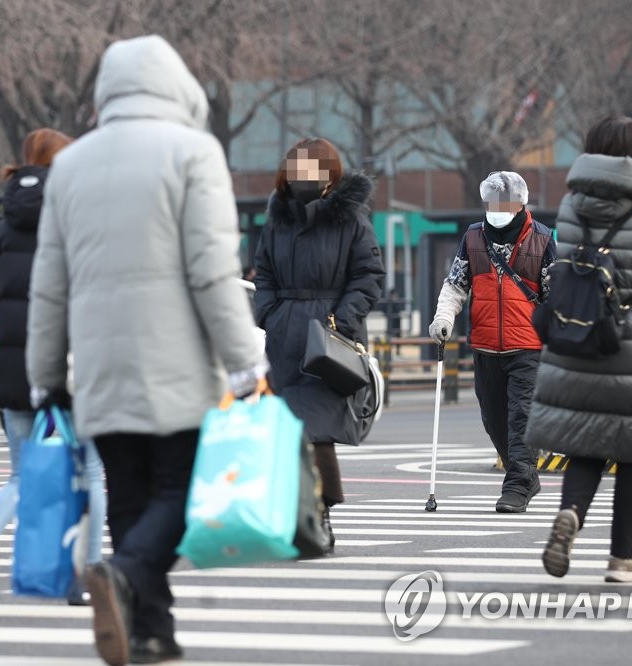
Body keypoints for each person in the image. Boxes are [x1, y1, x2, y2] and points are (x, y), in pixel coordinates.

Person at [26, 35, 266, 666]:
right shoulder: (193, 152)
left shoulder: (71, 165)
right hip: (178, 368)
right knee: (184, 498)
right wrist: (246, 365)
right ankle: (128, 576)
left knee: (131, 501)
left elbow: (48, 285)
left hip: (101, 371)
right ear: (176, 86)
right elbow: (214, 273)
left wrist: (46, 376)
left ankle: (151, 631)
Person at [528, 115, 632, 582]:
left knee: (586, 444)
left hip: (577, 337)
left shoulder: (571, 205)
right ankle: (622, 558)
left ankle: (573, 515)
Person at [0, 128, 107, 610]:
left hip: (15, 367)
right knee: (96, 473)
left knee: (22, 476)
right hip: (71, 366)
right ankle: (87, 574)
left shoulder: (2, 227)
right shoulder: (75, 216)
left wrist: (17, 337)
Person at [252, 137, 385, 547]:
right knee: (289, 433)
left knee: (317, 430)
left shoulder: (351, 220)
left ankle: (321, 514)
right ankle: (301, 516)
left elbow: (369, 276)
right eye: (295, 168)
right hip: (284, 337)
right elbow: (263, 275)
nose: (301, 176)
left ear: (330, 174)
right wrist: (270, 314)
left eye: (310, 168)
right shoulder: (277, 221)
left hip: (330, 339)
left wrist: (342, 320)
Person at [429, 170, 555, 513]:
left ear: (520, 204)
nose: (496, 208)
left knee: (520, 418)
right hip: (485, 346)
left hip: (528, 347)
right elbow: (455, 285)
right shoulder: (472, 238)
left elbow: (553, 295)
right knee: (493, 418)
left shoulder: (542, 239)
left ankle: (516, 486)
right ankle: (526, 473)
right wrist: (443, 318)